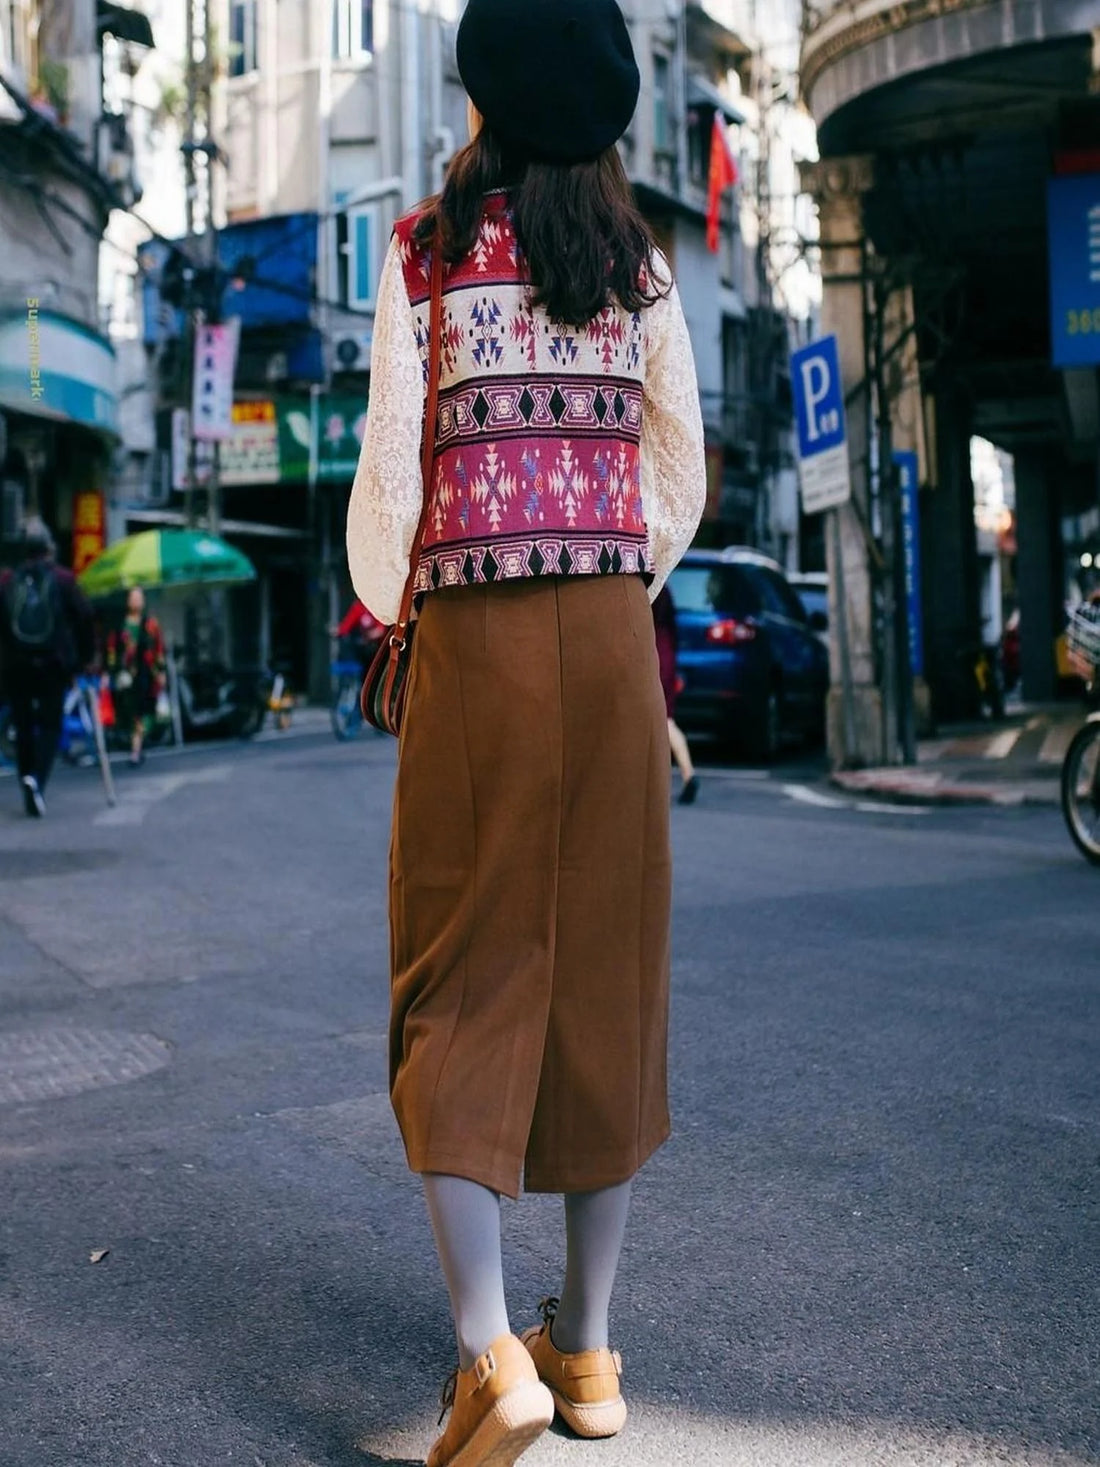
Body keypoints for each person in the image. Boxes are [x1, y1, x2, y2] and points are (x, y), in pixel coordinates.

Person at [347, 2, 705, 1462]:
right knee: (605, 983)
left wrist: (399, 597)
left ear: (481, 98)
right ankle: (596, 1352)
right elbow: (675, 472)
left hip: (478, 645)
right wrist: (615, 579)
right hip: (614, 638)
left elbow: (388, 477)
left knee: (457, 973)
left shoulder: (426, 255)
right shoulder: (639, 266)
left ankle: (492, 1354)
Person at [0, 517, 95, 817]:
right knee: (51, 725)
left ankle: (26, 777)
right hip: (53, 666)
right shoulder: (64, 580)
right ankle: (37, 782)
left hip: (14, 667)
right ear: (49, 548)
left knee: (23, 725)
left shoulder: (6, 582)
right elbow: (85, 619)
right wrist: (84, 660)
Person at [104, 586, 167, 766]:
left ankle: (137, 746)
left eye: (139, 598)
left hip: (147, 674)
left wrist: (161, 671)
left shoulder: (151, 625)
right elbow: (112, 650)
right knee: (132, 711)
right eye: (133, 598)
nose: (136, 601)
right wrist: (111, 671)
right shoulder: (120, 625)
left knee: (147, 711)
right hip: (127, 676)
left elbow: (159, 649)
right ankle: (136, 748)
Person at [653, 584, 698, 804]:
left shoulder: (648, 587)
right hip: (667, 656)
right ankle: (686, 773)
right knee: (666, 720)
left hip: (653, 657)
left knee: (662, 722)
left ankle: (687, 775)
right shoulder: (667, 591)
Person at [329, 595, 386, 671]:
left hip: (384, 645)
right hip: (370, 650)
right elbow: (348, 623)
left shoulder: (378, 606)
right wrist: (338, 631)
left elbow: (381, 629)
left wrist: (370, 635)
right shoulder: (359, 607)